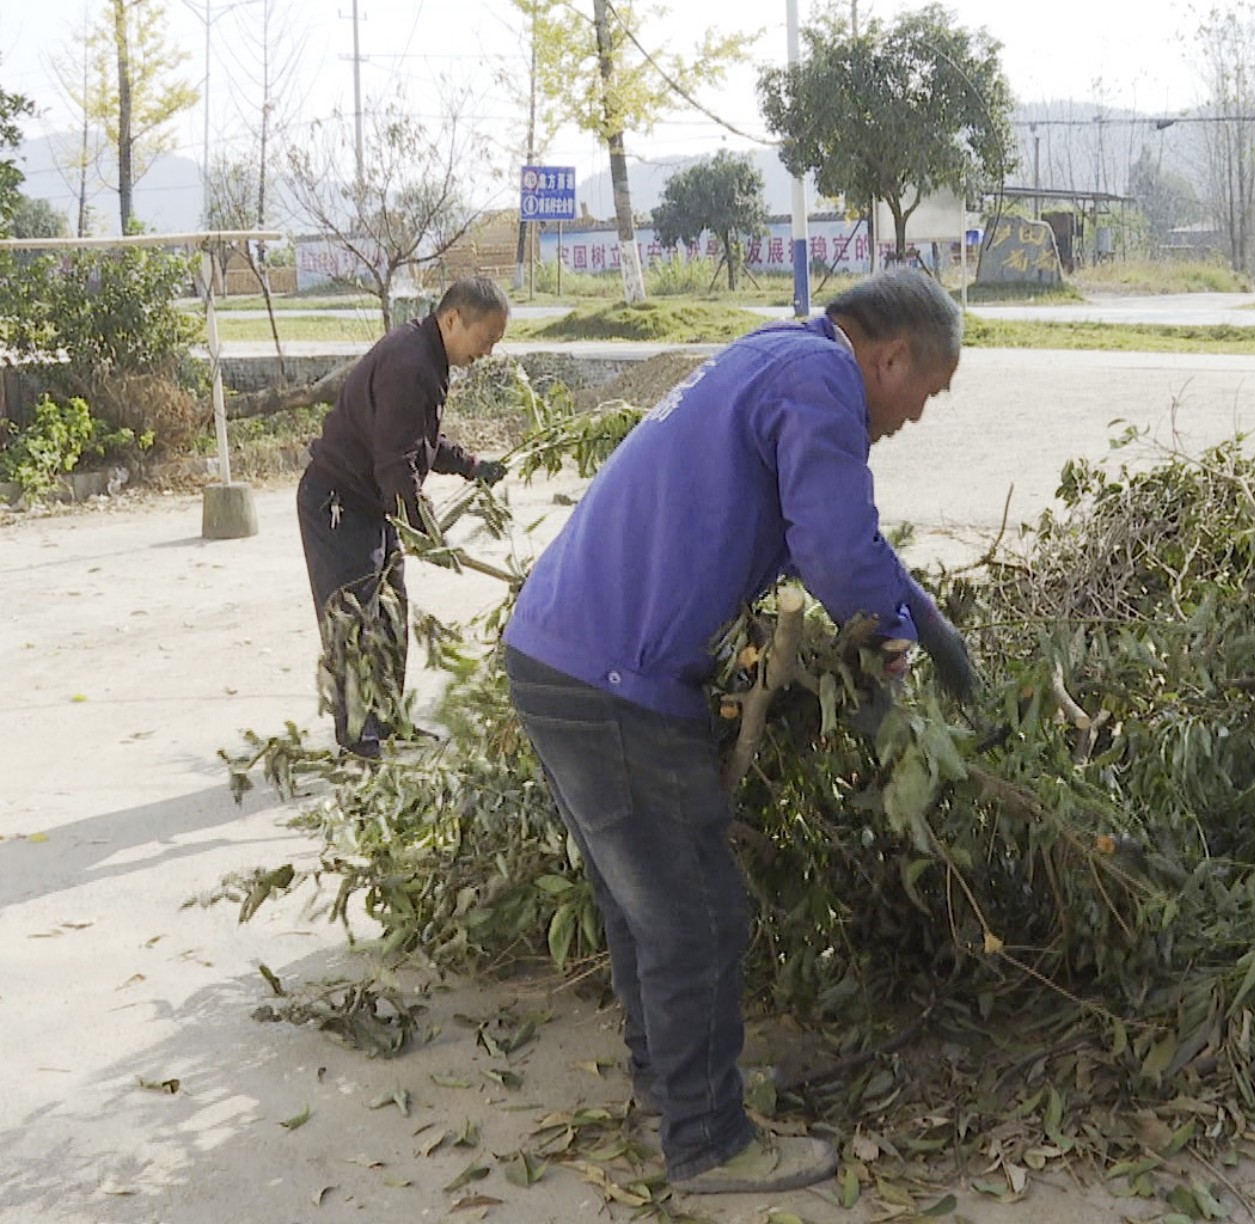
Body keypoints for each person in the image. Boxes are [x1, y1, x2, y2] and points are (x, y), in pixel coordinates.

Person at [501, 269, 978, 1194]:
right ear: (893, 357)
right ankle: (709, 1143)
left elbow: (829, 536)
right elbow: (839, 551)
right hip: (611, 681)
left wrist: (919, 612)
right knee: (698, 914)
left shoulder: (778, 354)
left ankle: (675, 1088)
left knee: (647, 907)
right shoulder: (820, 385)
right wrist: (894, 647)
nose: (920, 416)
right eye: (931, 392)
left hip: (557, 654)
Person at [297, 276, 511, 759]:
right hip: (338, 503)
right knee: (354, 620)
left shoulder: (428, 358)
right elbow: (395, 464)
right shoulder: (412, 363)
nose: (489, 352)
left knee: (390, 613)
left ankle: (389, 721)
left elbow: (419, 444)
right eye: (487, 339)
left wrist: (471, 467)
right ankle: (358, 738)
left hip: (374, 505)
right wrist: (422, 530)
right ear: (454, 319)